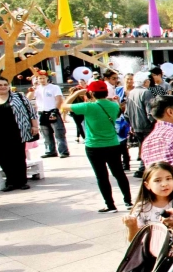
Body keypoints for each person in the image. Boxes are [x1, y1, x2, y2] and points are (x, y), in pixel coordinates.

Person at [62, 80, 132, 213]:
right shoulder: (113, 105)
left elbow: (64, 106)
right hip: (113, 144)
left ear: (91, 93)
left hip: (94, 146)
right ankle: (128, 201)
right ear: (106, 92)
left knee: (102, 176)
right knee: (119, 174)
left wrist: (77, 92)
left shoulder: (88, 107)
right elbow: (117, 111)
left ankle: (110, 205)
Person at [123, 162, 173, 243]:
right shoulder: (142, 207)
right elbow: (133, 241)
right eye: (157, 180)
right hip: (150, 252)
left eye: (168, 178)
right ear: (147, 185)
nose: (164, 184)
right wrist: (132, 226)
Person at [31, 71, 69, 158]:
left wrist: (55, 110)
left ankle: (63, 151)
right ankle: (50, 151)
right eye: (40, 78)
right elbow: (29, 98)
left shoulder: (54, 87)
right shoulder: (36, 89)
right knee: (46, 134)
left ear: (47, 78)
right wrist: (32, 89)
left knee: (59, 133)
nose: (42, 80)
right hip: (41, 113)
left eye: (43, 78)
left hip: (52, 111)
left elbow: (59, 99)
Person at [126, 73, 157, 178]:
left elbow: (126, 112)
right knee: (148, 148)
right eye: (148, 80)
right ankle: (143, 169)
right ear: (144, 82)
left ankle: (142, 168)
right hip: (146, 125)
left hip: (135, 125)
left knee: (143, 147)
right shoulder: (146, 92)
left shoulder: (131, 93)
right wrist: (155, 122)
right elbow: (150, 111)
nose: (149, 82)